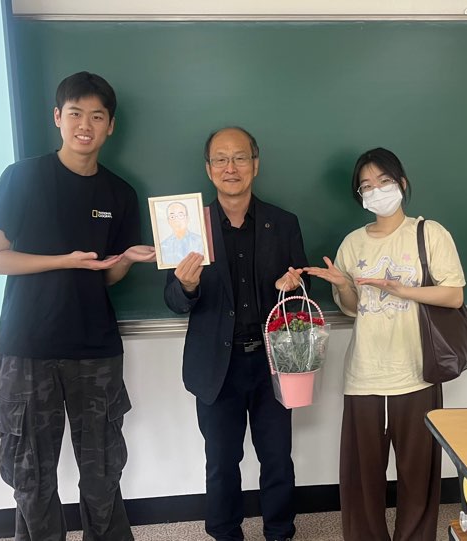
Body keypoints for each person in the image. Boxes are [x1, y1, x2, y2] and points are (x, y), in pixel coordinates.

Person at [0, 71, 156, 541]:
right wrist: (65, 261)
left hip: (95, 348)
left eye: (97, 116)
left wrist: (123, 260)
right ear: (58, 117)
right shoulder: (21, 177)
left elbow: (108, 274)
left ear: (110, 126)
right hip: (27, 347)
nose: (85, 125)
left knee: (103, 473)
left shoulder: (120, 193)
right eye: (75, 113)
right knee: (31, 477)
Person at [304, 147, 466, 541]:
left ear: (402, 183)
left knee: (419, 473)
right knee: (362, 477)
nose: (376, 191)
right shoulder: (353, 243)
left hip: (417, 372)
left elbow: (454, 295)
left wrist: (404, 290)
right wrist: (343, 285)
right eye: (366, 186)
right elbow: (352, 309)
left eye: (384, 181)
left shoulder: (430, 233)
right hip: (365, 373)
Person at [164, 127, 308, 541]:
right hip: (216, 365)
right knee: (221, 462)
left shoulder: (283, 224)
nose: (231, 167)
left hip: (271, 362)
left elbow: (303, 293)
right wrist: (186, 286)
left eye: (240, 158)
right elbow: (173, 301)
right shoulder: (188, 227)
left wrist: (292, 286)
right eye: (221, 159)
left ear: (255, 165)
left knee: (277, 458)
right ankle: (225, 534)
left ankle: (280, 532)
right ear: (209, 169)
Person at [159, 201, 205, 265]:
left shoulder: (200, 241)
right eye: (172, 217)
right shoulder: (163, 246)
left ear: (187, 218)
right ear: (168, 221)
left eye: (180, 215)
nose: (177, 220)